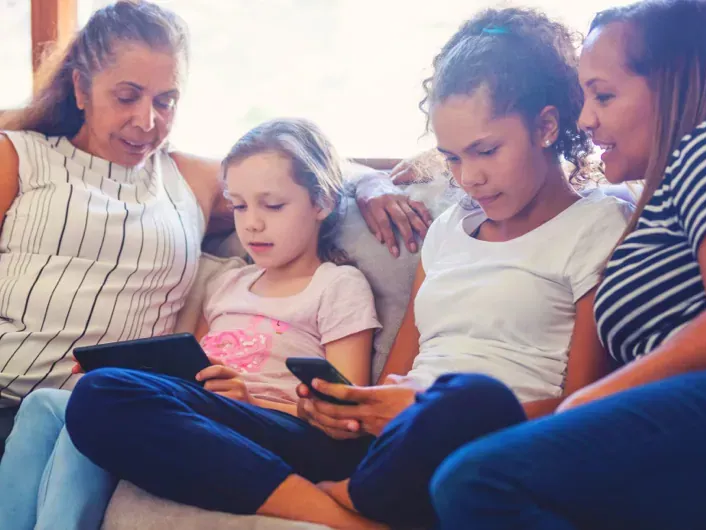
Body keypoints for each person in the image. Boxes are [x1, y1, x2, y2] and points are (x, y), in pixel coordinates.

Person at [64, 8, 632, 529]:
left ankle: (354, 495)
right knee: (107, 395)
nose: (469, 178)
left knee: (468, 399)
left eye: (485, 151)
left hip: (485, 436)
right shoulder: (447, 229)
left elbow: (587, 404)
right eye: (453, 158)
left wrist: (423, 407)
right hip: (382, 444)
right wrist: (349, 407)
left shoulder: (599, 226)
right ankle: (348, 512)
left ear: (547, 126)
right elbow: (390, 380)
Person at [0, 0, 422, 452]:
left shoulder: (188, 178)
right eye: (127, 97)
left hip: (116, 406)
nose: (147, 121)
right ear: (81, 88)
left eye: (166, 102)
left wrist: (373, 183)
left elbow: (294, 169)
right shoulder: (19, 156)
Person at [0, 116, 384, 530]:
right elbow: (191, 370)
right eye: (239, 205)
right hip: (211, 418)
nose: (251, 222)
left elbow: (345, 418)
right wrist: (137, 374)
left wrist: (251, 401)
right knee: (50, 402)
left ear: (321, 202)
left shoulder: (337, 285)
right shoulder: (227, 282)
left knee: (101, 394)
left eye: (272, 205)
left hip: (287, 426)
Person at [429, 1, 706, 529]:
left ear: (677, 83)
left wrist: (588, 402)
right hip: (674, 423)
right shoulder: (664, 193)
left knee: (475, 479)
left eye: (604, 95)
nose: (584, 119)